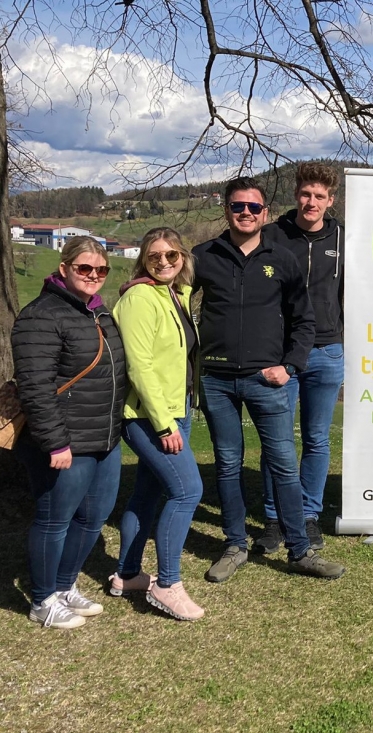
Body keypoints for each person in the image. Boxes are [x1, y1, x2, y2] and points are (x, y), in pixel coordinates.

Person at [193, 176, 345, 582]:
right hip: (217, 381)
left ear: (264, 213)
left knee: (282, 463)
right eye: (238, 206)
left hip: (267, 379)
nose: (246, 213)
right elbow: (169, 296)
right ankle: (234, 544)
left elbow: (304, 320)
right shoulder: (203, 256)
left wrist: (291, 365)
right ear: (226, 210)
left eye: (254, 208)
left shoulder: (281, 257)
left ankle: (299, 550)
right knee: (227, 463)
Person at [12, 236, 127, 629]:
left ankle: (64, 587)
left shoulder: (98, 313)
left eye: (101, 270)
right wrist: (55, 441)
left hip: (104, 438)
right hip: (66, 442)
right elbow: (34, 386)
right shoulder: (41, 315)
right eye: (84, 268)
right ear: (64, 269)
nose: (93, 275)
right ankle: (43, 600)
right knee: (54, 521)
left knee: (93, 518)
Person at [109, 227, 206, 620]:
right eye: (155, 256)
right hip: (149, 415)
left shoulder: (177, 295)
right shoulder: (139, 298)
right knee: (187, 492)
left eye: (172, 255)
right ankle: (168, 584)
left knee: (147, 494)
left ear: (183, 258)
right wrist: (165, 425)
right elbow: (140, 367)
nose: (164, 262)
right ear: (143, 260)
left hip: (175, 407)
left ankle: (127, 574)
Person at [258, 163, 346, 554]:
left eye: (320, 196)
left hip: (328, 351)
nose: (311, 202)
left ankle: (308, 516)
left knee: (316, 439)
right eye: (305, 194)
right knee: (277, 441)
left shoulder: (343, 238)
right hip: (280, 353)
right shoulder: (272, 235)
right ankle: (276, 518)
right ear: (297, 195)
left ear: (331, 200)